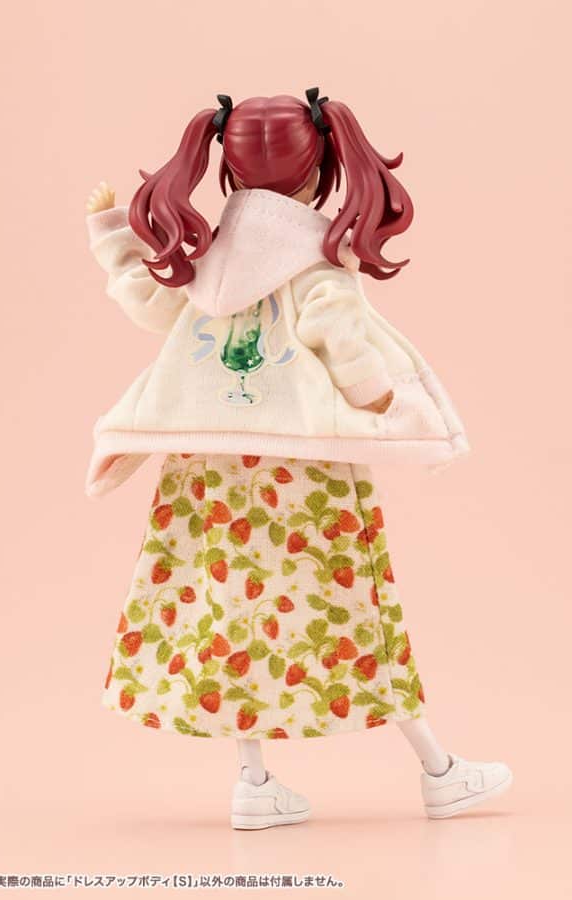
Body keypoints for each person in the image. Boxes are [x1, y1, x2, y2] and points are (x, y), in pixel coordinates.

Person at [85, 88, 512, 829]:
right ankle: (440, 771)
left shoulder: (204, 261)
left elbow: (149, 304)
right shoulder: (316, 263)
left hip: (207, 470)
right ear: (319, 174)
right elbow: (345, 345)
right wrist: (384, 402)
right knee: (354, 611)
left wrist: (112, 234)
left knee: (232, 612)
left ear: (227, 168)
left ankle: (254, 783)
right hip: (304, 471)